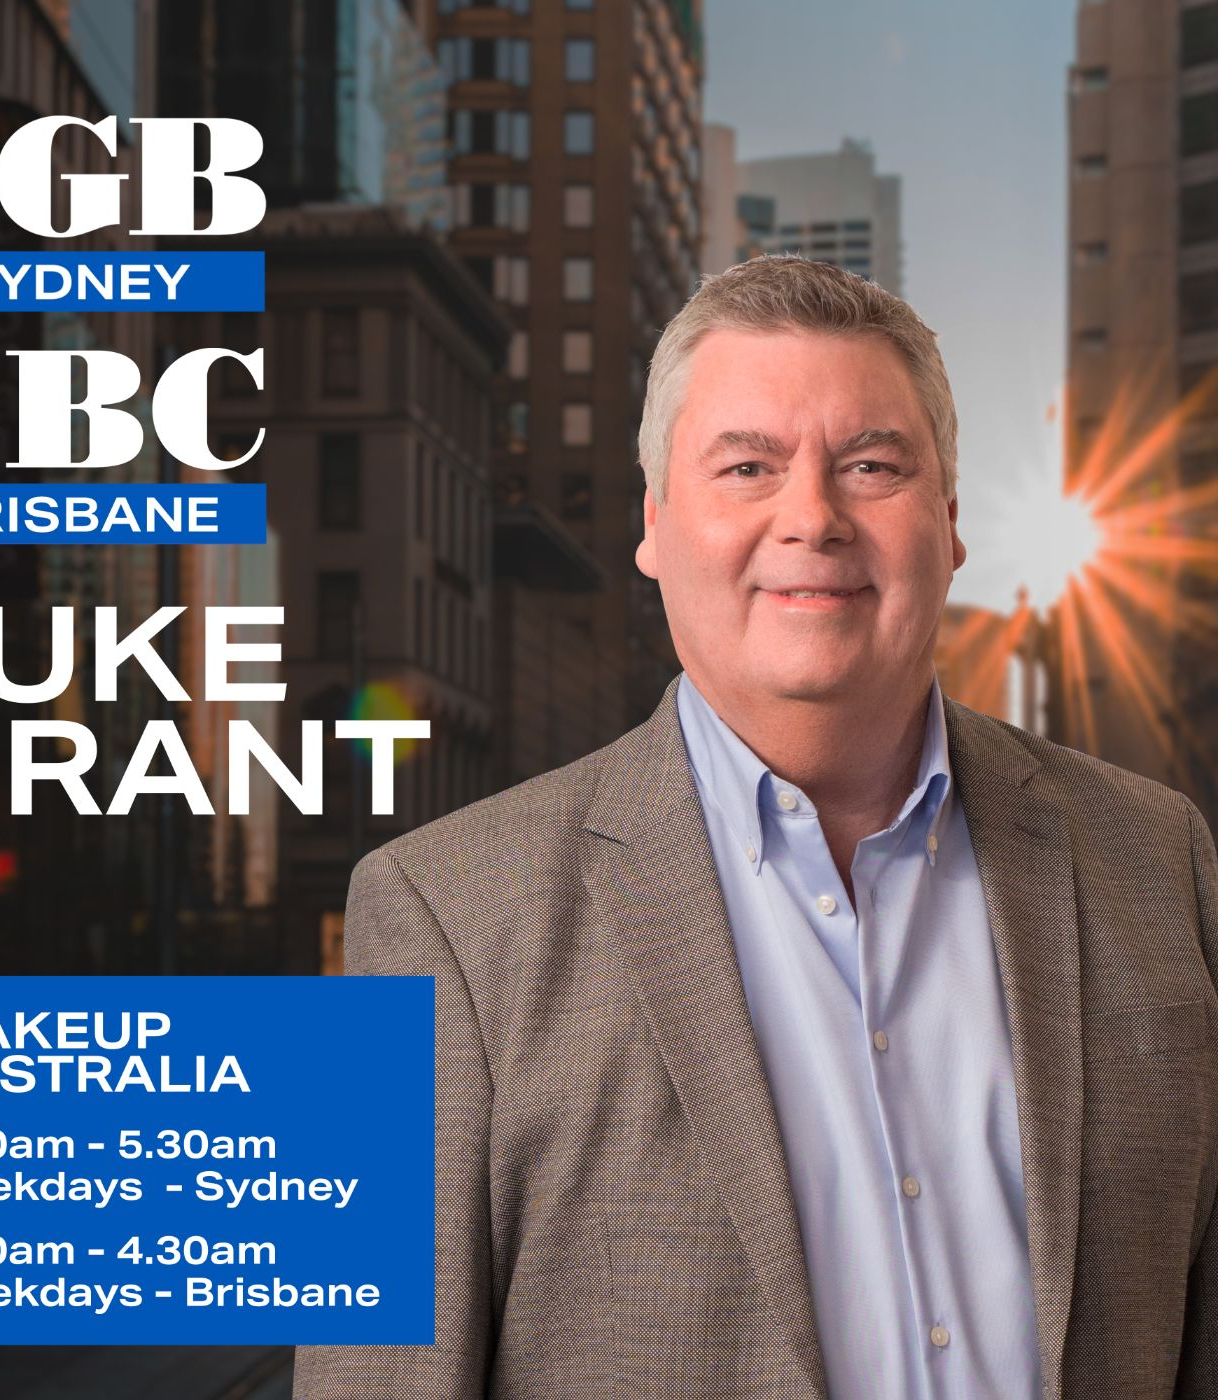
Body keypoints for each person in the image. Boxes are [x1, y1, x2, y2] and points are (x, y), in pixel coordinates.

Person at [292, 256, 1218, 1399]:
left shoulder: (1158, 861)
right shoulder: (437, 915)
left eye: (871, 465)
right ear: (654, 525)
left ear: (948, 519)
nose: (812, 517)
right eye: (746, 466)